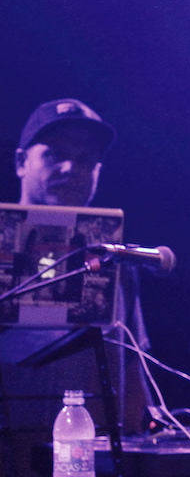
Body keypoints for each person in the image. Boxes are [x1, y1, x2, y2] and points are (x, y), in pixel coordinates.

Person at [1, 98, 152, 474]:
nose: (71, 168)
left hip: (93, 458)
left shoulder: (114, 260)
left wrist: (137, 443)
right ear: (20, 162)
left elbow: (132, 365)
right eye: (54, 155)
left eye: (85, 160)